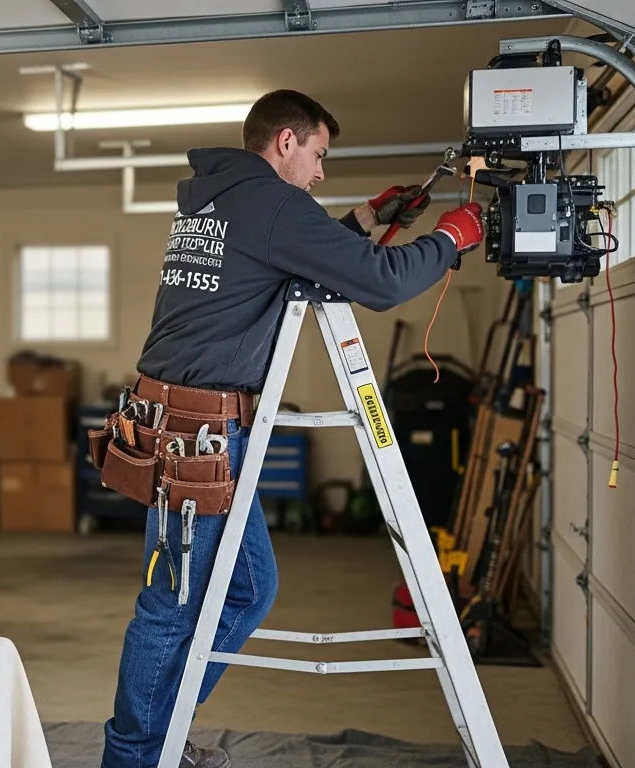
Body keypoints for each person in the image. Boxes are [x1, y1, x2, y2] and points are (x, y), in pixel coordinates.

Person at [98, 89, 484, 768]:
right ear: (286, 142)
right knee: (169, 608)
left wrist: (365, 217)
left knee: (247, 590)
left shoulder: (221, 198)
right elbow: (381, 283)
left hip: (186, 426)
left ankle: (162, 726)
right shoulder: (274, 205)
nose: (320, 173)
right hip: (199, 437)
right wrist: (451, 239)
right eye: (318, 155)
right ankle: (134, 756)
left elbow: (281, 250)